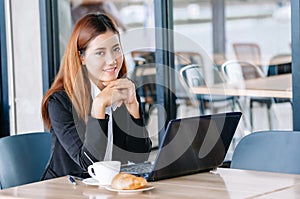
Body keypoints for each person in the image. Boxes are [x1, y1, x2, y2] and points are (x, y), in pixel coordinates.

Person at [41, 13, 152, 180]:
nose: (112, 60)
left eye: (116, 49)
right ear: (82, 57)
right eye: (100, 53)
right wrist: (99, 106)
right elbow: (87, 163)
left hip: (108, 188)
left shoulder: (121, 91)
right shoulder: (59, 101)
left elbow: (139, 157)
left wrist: (133, 108)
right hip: (67, 189)